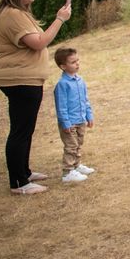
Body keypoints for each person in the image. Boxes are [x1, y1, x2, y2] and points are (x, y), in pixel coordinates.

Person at [0, 0, 71, 195]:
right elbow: (39, 42)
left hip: (25, 77)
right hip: (19, 78)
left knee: (25, 128)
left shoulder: (18, 13)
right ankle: (19, 182)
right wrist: (60, 19)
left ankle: (24, 171)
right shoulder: (11, 15)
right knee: (21, 129)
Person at [53, 47, 95, 184]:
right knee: (71, 146)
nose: (77, 64)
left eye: (77, 60)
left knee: (78, 144)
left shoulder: (80, 80)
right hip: (70, 122)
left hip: (81, 119)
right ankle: (67, 172)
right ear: (63, 66)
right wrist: (66, 123)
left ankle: (77, 166)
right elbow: (61, 106)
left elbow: (85, 99)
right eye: (73, 62)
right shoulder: (62, 85)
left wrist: (89, 115)